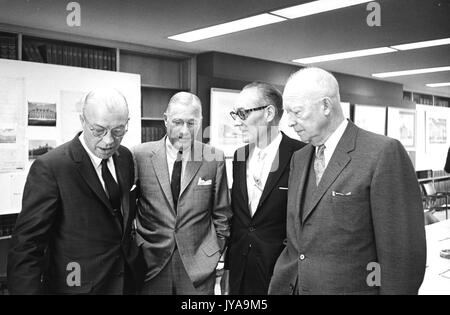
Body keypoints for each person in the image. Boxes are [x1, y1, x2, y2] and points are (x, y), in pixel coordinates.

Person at [269, 67, 426, 295]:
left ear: (325, 106)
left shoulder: (381, 153)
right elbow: (298, 242)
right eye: (287, 113)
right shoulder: (299, 159)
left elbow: (402, 256)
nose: (289, 122)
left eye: (297, 112)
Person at [8, 88, 143, 295]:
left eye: (118, 131)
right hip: (77, 286)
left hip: (127, 282)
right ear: (82, 121)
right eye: (98, 130)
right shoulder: (51, 167)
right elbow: (27, 246)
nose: (108, 141)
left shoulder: (124, 157)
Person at [134, 92, 232, 295]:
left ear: (201, 122)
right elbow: (128, 209)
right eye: (178, 122)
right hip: (151, 263)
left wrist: (213, 253)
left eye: (191, 123)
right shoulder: (139, 155)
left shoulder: (213, 157)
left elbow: (222, 213)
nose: (184, 131)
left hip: (198, 267)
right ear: (165, 120)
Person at [223, 82, 305, 295]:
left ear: (269, 113)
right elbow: (239, 220)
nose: (237, 122)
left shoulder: (301, 155)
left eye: (243, 113)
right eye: (235, 114)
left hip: (280, 274)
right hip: (241, 272)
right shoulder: (239, 157)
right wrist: (229, 268)